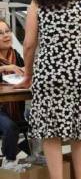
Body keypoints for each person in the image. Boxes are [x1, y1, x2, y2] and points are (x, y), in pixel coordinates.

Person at [16, 0, 81, 179]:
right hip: (80, 73)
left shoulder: (38, 4)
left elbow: (30, 44)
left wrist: (27, 74)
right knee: (80, 131)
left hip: (49, 75)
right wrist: (79, 66)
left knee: (52, 134)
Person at [0, 19, 25, 168]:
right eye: (0, 33)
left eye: (7, 31)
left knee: (38, 122)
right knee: (10, 127)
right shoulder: (10, 62)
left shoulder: (15, 54)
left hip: (16, 106)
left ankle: (34, 158)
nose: (5, 36)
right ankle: (9, 162)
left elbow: (24, 73)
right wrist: (5, 68)